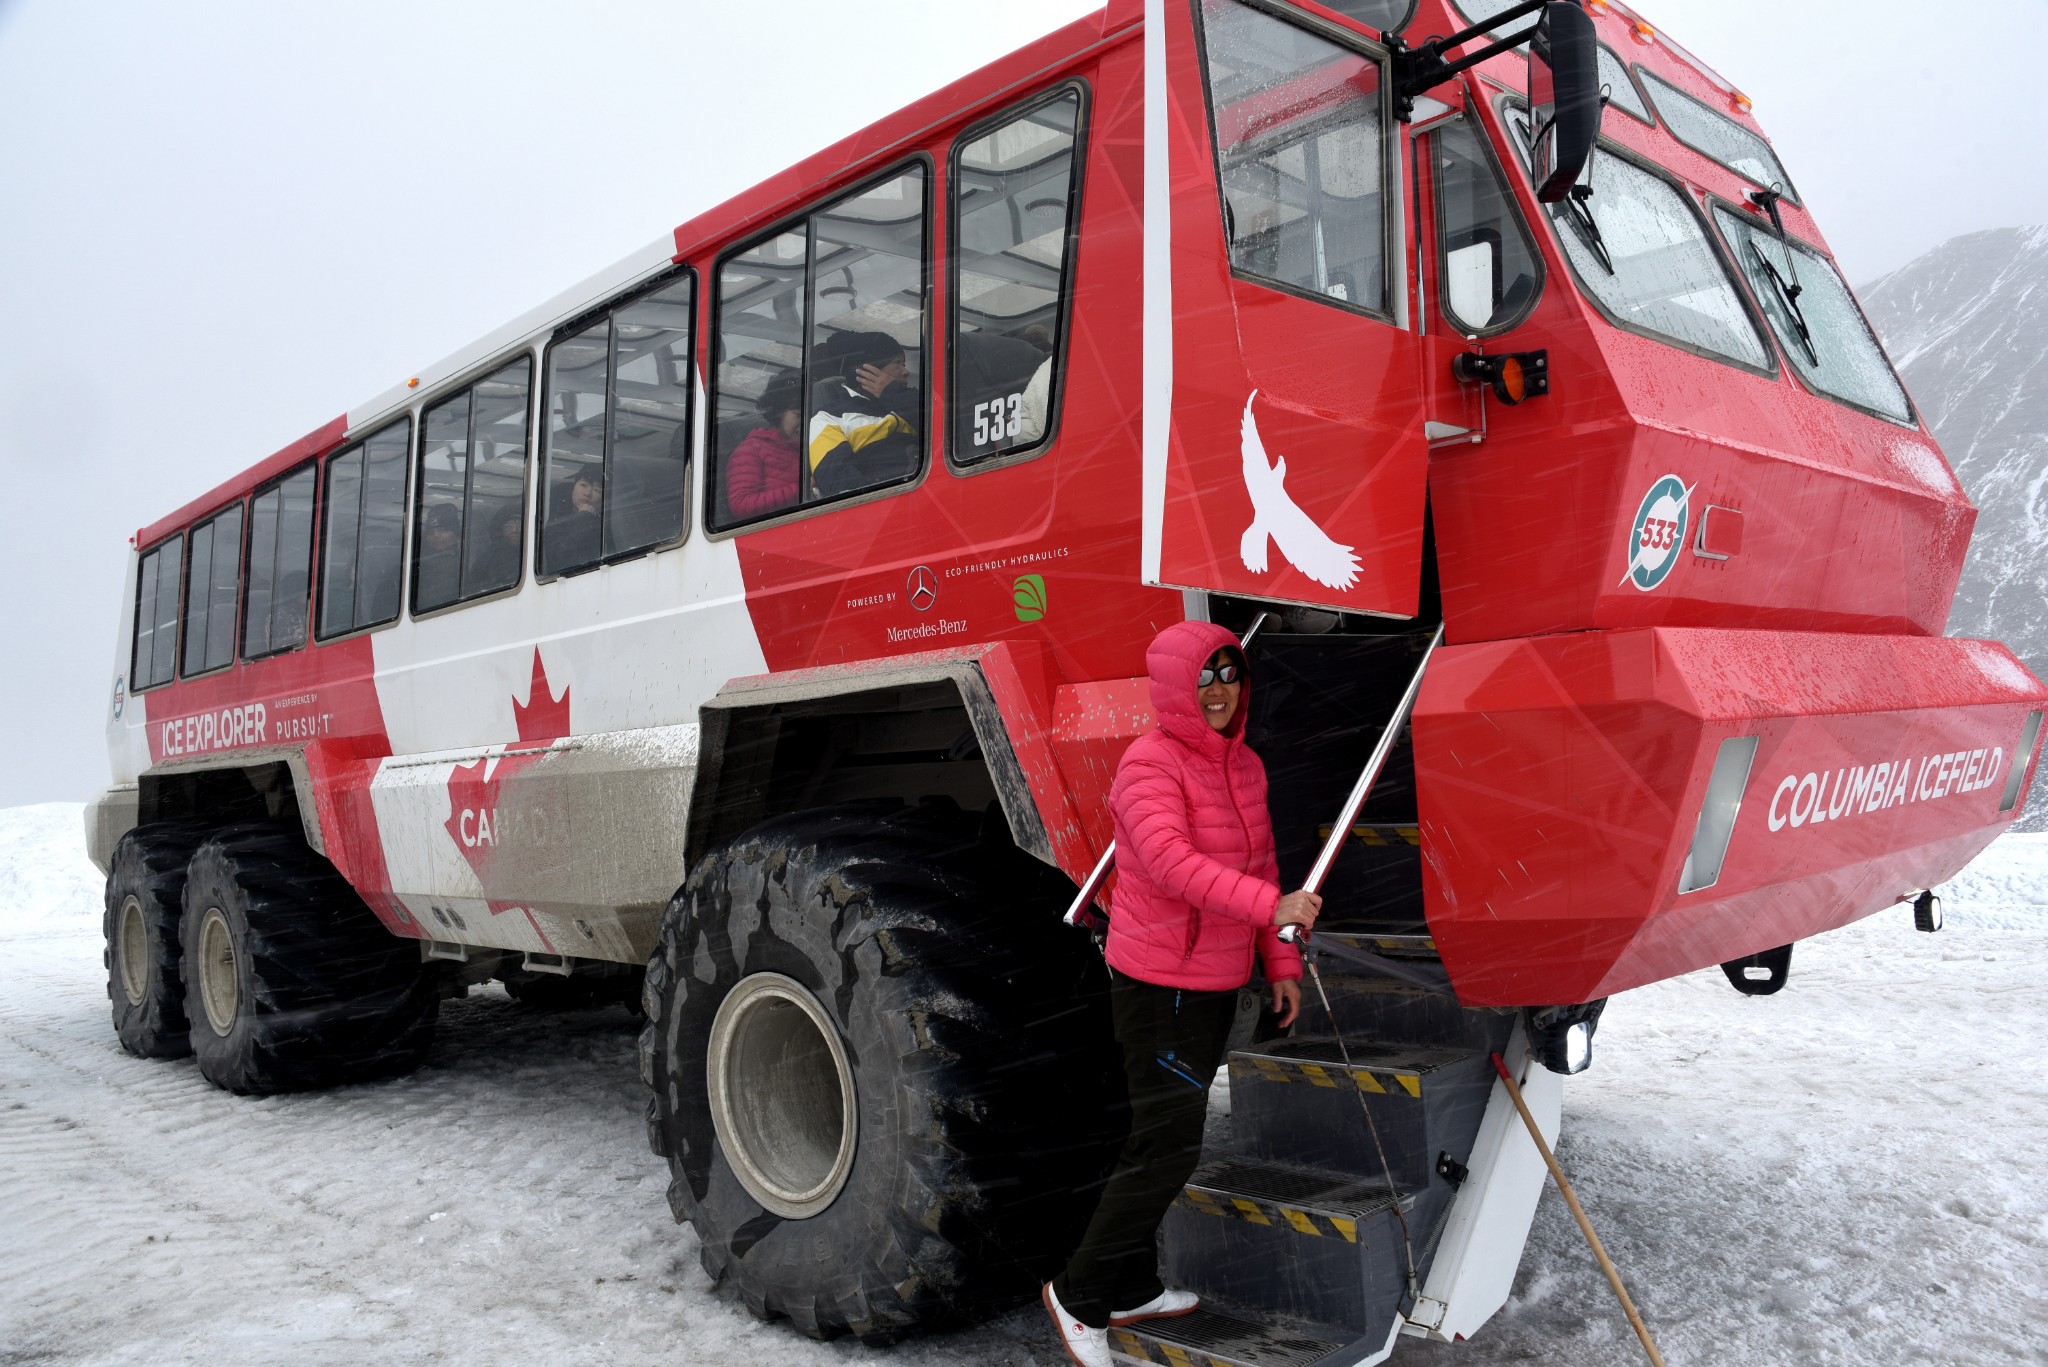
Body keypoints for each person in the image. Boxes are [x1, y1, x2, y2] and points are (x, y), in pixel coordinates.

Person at [1044, 621, 1320, 1367]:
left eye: (1231, 673)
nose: (1221, 690)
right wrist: (1273, 911)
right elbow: (1170, 863)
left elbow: (1261, 867)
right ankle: (1079, 1294)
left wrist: (1281, 961)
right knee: (1164, 1148)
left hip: (1215, 984)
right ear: (1175, 688)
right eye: (1205, 677)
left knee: (1166, 1138)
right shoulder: (1148, 764)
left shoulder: (1247, 767)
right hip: (1158, 987)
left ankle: (1131, 1281)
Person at [808, 331, 921, 498]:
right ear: (870, 370)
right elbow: (840, 484)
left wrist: (892, 393)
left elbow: (946, 426)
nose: (905, 371)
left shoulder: (907, 401)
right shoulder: (828, 419)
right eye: (898, 363)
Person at [725, 371, 803, 519]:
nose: (806, 422)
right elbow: (741, 505)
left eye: (811, 415)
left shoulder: (814, 445)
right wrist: (803, 489)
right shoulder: (752, 449)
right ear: (780, 412)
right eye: (799, 415)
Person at [548, 463, 603, 571]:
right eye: (583, 485)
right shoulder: (555, 520)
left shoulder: (607, 524)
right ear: (573, 488)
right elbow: (557, 558)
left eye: (597, 490)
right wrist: (583, 518)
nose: (587, 493)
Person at [414, 503, 462, 609]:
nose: (436, 536)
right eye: (431, 533)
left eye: (443, 531)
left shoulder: (469, 553)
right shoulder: (421, 564)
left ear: (456, 533)